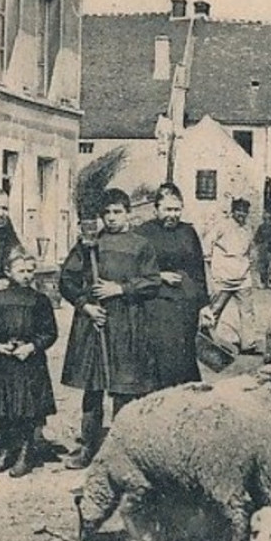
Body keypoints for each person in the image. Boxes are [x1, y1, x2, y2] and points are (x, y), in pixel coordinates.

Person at [60, 188, 161, 469]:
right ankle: (88, 448)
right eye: (107, 213)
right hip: (95, 323)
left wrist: (121, 288)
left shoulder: (141, 245)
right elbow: (66, 280)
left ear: (128, 213)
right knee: (93, 390)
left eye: (118, 212)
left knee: (124, 390)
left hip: (126, 324)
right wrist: (86, 306)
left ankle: (121, 453)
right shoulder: (89, 244)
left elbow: (152, 282)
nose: (112, 218)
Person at [0, 246, 60, 478]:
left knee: (27, 411)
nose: (25, 275)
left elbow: (50, 332)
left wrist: (32, 347)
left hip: (29, 363)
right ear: (8, 272)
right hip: (4, 361)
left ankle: (25, 454)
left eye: (29, 271)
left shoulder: (40, 300)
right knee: (5, 410)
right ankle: (5, 451)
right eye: (20, 270)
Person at [134, 182, 208, 388]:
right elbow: (132, 270)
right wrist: (159, 275)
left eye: (177, 209)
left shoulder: (188, 232)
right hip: (156, 304)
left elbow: (198, 270)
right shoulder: (142, 233)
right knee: (162, 356)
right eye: (167, 209)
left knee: (185, 354)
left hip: (185, 305)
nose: (172, 215)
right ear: (156, 209)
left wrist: (204, 305)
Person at [205, 197, 260, 355]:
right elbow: (207, 245)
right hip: (223, 277)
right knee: (215, 310)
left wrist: (250, 264)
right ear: (233, 211)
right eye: (239, 211)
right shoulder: (221, 226)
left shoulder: (248, 229)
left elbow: (251, 250)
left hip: (243, 277)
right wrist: (210, 266)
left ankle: (248, 344)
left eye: (245, 212)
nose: (242, 214)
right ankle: (205, 340)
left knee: (247, 311)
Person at [254, 211, 271, 289]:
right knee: (262, 266)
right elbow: (257, 237)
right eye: (265, 218)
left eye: (268, 218)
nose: (267, 220)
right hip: (262, 249)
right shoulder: (261, 227)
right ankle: (263, 282)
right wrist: (259, 244)